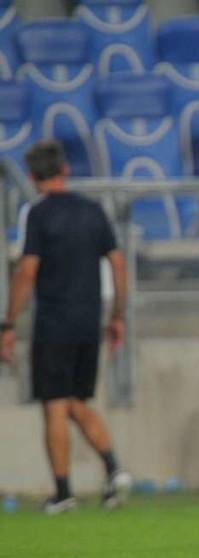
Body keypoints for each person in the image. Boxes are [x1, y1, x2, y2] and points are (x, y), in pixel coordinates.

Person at [0, 140, 132, 514]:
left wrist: (8, 322)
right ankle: (113, 469)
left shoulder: (36, 213)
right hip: (90, 320)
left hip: (54, 322)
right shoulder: (93, 210)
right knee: (76, 401)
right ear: (66, 169)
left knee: (54, 406)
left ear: (32, 176)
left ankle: (62, 493)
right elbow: (119, 263)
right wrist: (117, 315)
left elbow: (27, 270)